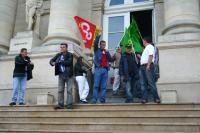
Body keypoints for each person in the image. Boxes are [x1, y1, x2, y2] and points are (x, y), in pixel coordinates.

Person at [50, 43, 73, 109]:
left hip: (69, 75)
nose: (62, 48)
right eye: (61, 47)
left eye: (63, 47)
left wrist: (60, 61)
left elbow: (68, 62)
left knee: (69, 90)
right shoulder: (58, 55)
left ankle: (69, 105)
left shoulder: (70, 54)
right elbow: (51, 61)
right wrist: (53, 63)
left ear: (66, 48)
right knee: (60, 90)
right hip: (61, 75)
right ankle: (60, 104)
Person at [140, 37, 160, 104]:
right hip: (142, 66)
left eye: (143, 41)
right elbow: (146, 57)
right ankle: (144, 99)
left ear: (145, 41)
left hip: (147, 66)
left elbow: (151, 56)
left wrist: (148, 65)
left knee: (151, 82)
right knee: (143, 84)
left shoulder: (150, 46)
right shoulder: (145, 48)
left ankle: (156, 98)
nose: (142, 42)